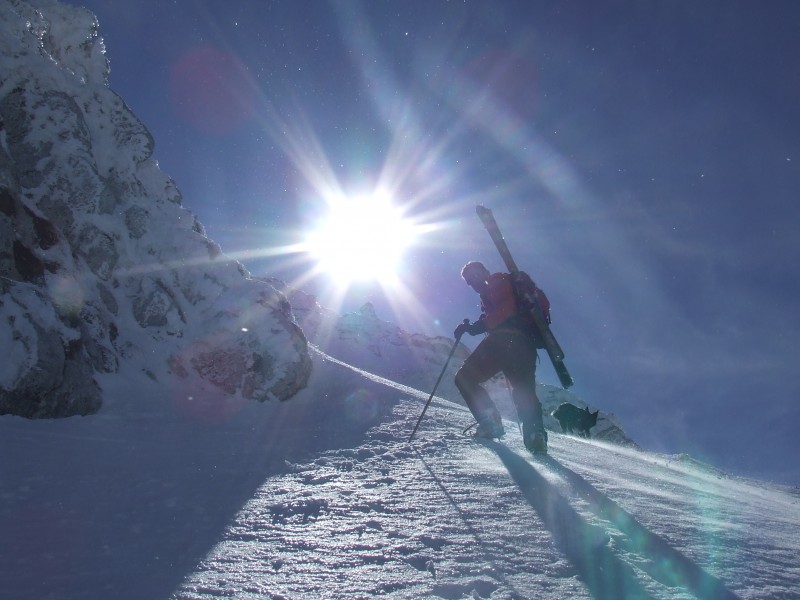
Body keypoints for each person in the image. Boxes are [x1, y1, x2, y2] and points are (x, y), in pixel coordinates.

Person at [453, 261, 548, 453]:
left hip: (502, 342)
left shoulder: (497, 281)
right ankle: (535, 435)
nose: (472, 282)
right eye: (469, 281)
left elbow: (506, 310)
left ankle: (490, 422)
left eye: (474, 276)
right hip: (525, 347)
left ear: (484, 271)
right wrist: (475, 326)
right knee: (524, 390)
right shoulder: (500, 287)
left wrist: (476, 327)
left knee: (465, 379)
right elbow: (502, 311)